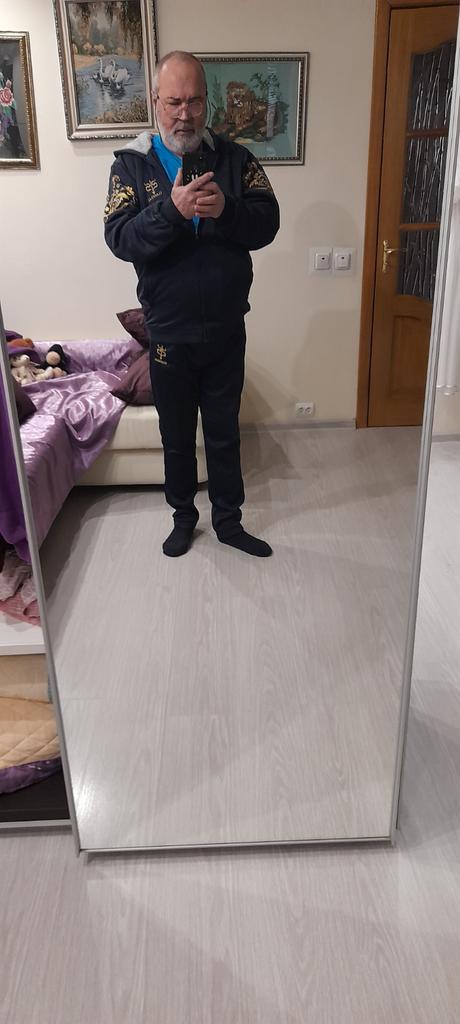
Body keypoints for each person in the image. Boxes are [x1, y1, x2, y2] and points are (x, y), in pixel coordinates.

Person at [104, 50, 280, 557]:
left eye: (195, 101)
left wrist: (227, 210)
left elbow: (268, 223)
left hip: (226, 330)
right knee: (177, 436)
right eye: (174, 102)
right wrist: (171, 211)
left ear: (208, 102)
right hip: (168, 334)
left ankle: (229, 522)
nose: (185, 114)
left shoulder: (237, 159)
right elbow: (119, 238)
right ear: (156, 102)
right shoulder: (130, 166)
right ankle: (183, 518)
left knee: (224, 434)